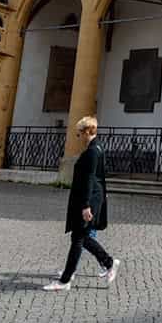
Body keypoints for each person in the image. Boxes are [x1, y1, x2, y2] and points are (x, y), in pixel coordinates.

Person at [42, 116, 120, 291]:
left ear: (87, 132)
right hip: (92, 197)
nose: (78, 137)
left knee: (78, 238)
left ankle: (65, 280)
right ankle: (107, 263)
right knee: (80, 237)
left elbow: (90, 179)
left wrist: (86, 205)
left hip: (88, 199)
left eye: (79, 133)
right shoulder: (97, 147)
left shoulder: (92, 151)